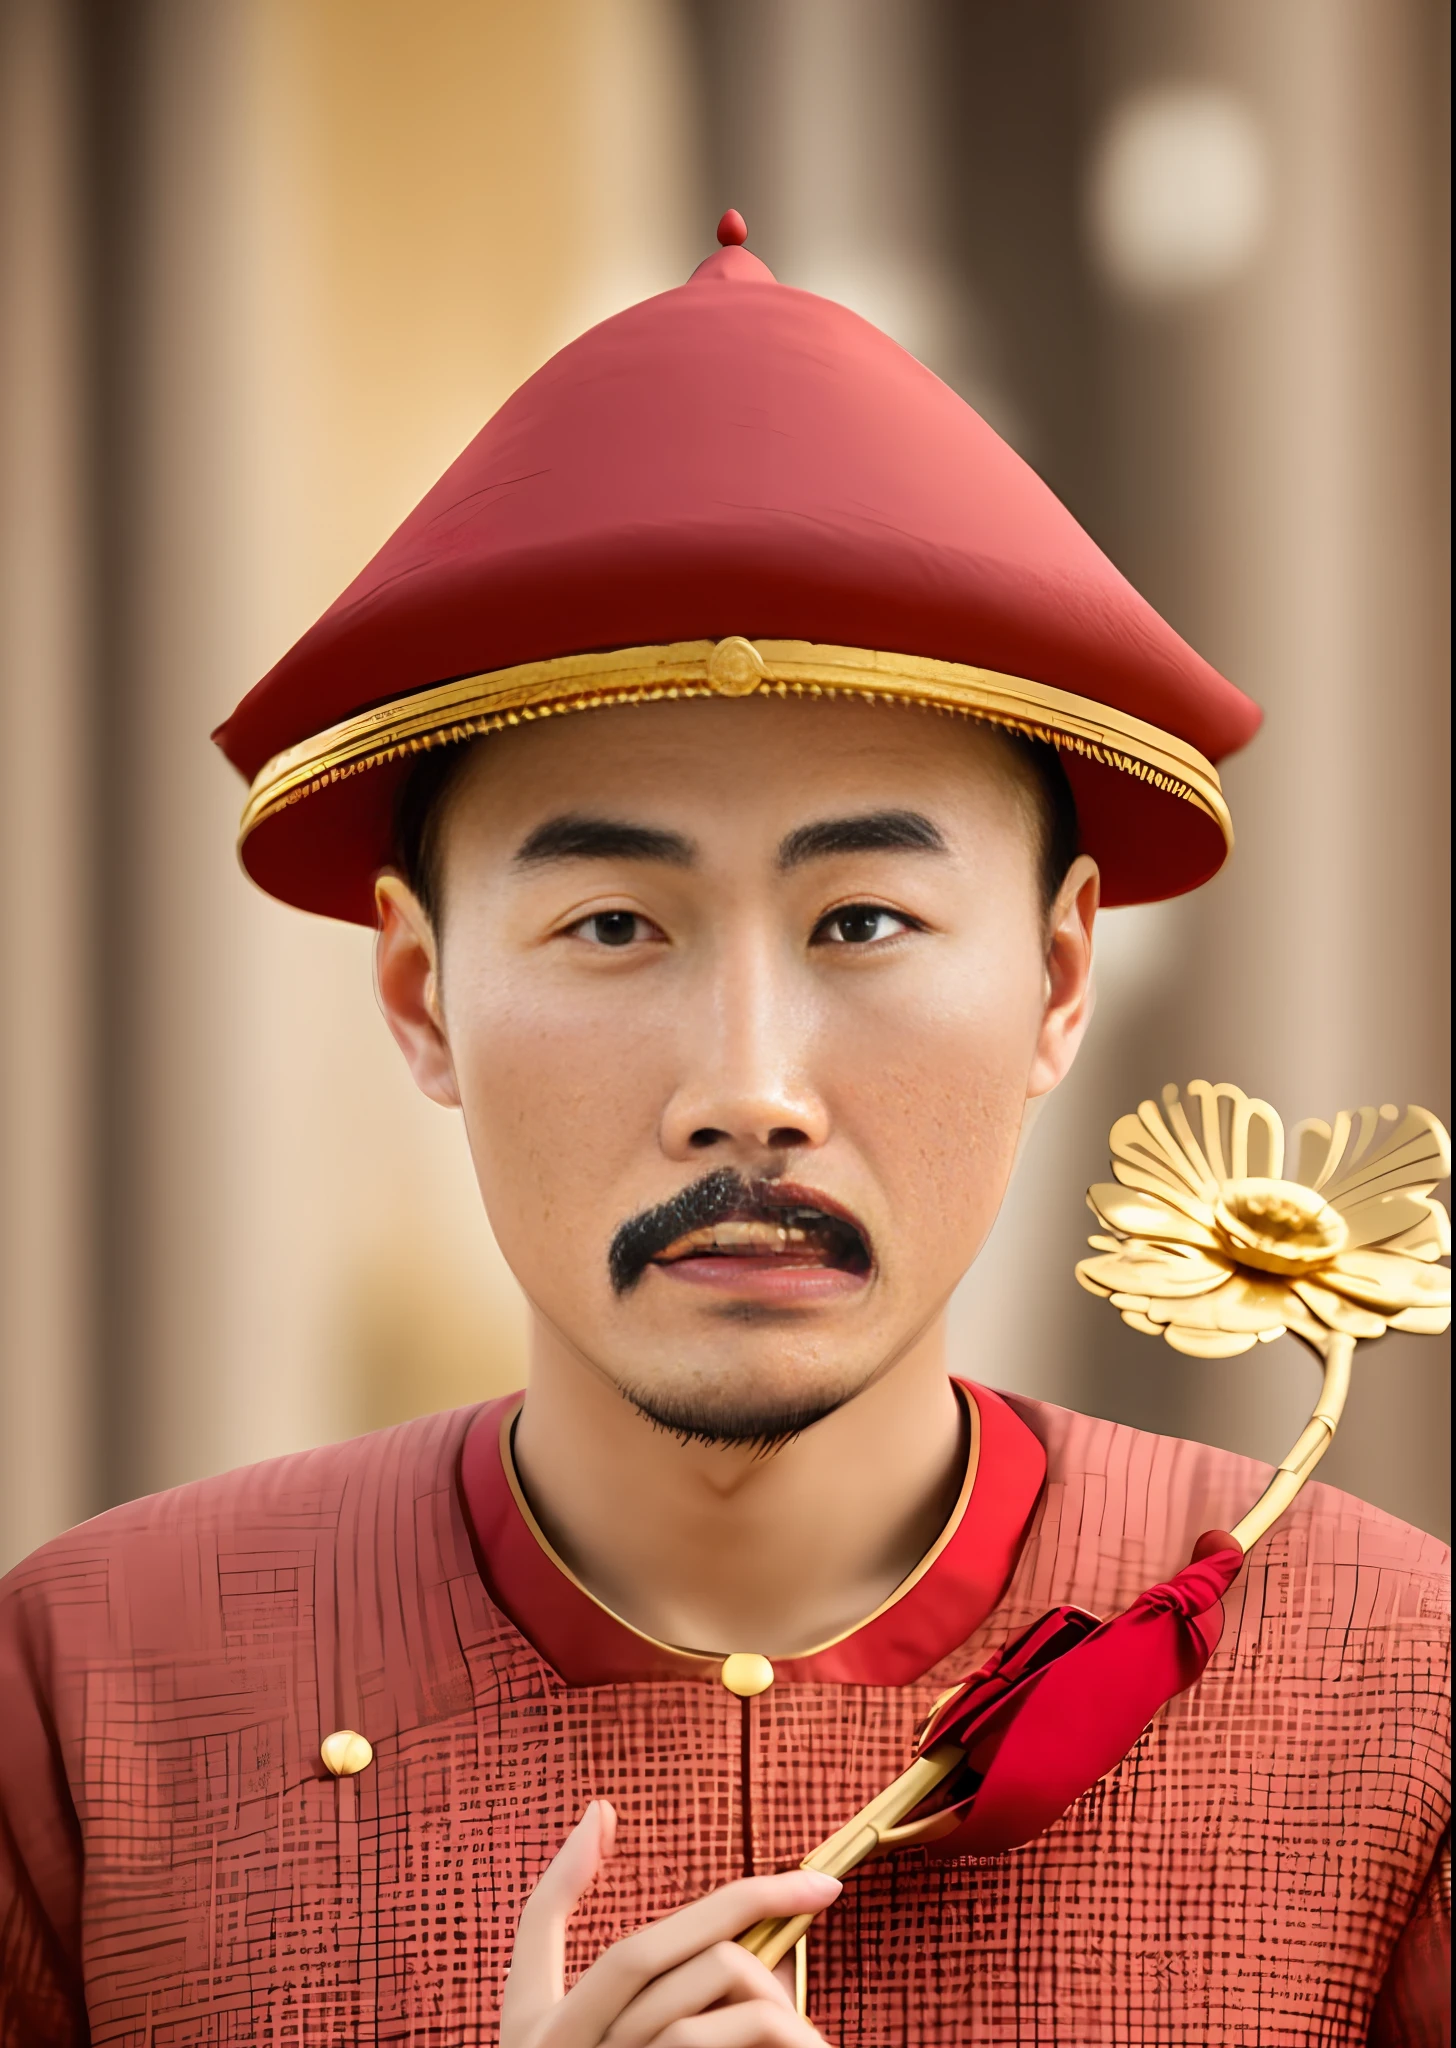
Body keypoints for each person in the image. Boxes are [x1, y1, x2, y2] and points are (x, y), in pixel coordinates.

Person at [0, 214, 1447, 2048]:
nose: (750, 1085)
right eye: (615, 927)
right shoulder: (91, 1689)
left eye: (865, 922)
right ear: (420, 994)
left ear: (1063, 977)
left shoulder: (1396, 1693)